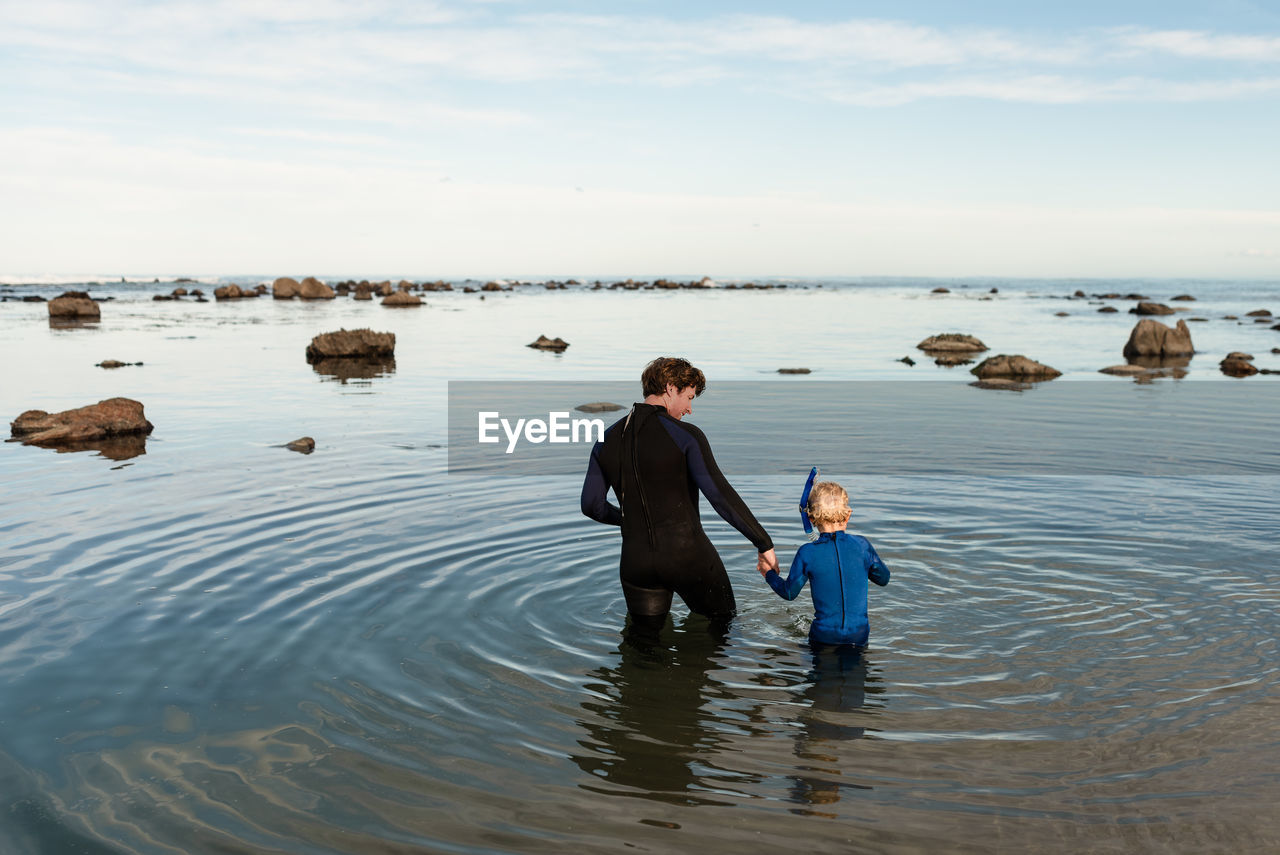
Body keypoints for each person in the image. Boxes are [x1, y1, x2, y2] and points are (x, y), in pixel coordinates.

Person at [581, 357, 779, 626]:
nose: (689, 409)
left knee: (643, 647)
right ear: (670, 388)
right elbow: (719, 495)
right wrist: (763, 543)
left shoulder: (606, 439)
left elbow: (592, 506)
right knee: (723, 630)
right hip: (688, 558)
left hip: (635, 562)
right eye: (689, 397)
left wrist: (629, 518)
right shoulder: (686, 435)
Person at [760, 481, 890, 647]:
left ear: (811, 518)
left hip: (823, 636)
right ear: (848, 515)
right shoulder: (862, 546)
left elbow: (789, 593)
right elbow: (884, 579)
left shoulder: (807, 552)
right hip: (859, 635)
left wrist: (768, 573)